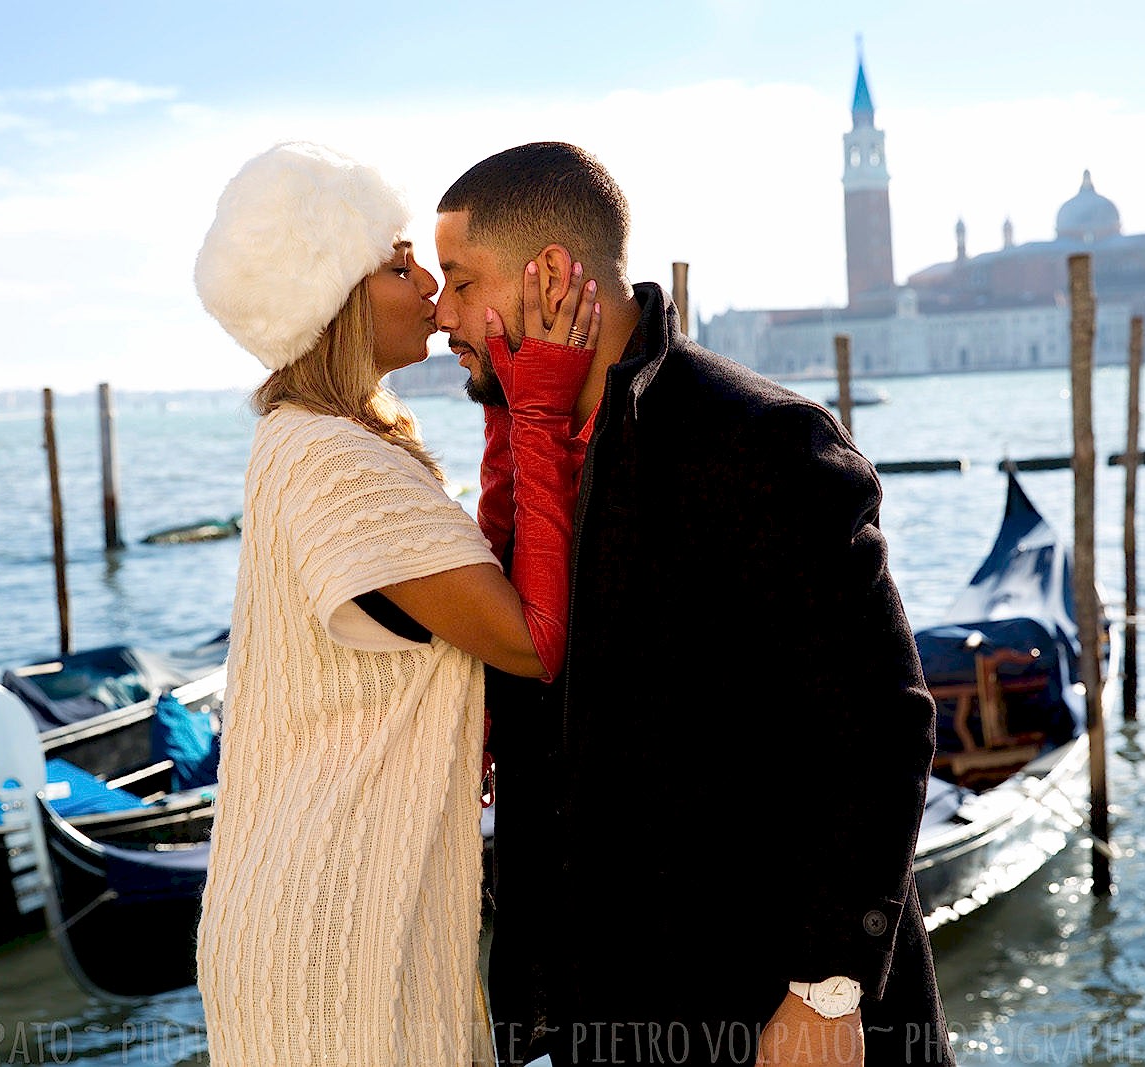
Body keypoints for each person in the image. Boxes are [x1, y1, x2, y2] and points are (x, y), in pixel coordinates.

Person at [434, 142, 954, 1066]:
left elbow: (881, 722)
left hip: (770, 1019)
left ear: (549, 274)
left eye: (459, 280)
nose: (443, 316)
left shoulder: (758, 441)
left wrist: (827, 991)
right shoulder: (530, 470)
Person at [189, 141, 601, 1067]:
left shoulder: (305, 439)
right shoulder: (340, 465)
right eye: (398, 262)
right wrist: (536, 412)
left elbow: (471, 586)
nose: (427, 286)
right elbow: (533, 639)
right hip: (335, 921)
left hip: (327, 895)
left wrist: (503, 408)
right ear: (335, 301)